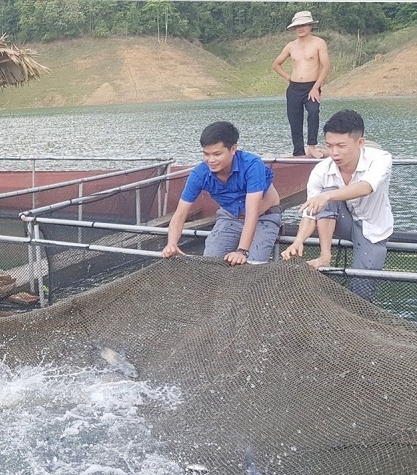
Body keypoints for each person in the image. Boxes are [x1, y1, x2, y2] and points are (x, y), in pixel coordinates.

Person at [281, 110, 393, 300]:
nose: (334, 152)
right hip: (342, 223)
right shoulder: (321, 170)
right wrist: (298, 241)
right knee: (324, 197)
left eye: (341, 146)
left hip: (373, 229)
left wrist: (327, 196)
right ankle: (325, 256)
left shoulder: (381, 159)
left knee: (362, 290)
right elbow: (310, 213)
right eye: (329, 145)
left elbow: (366, 187)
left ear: (360, 143)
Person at [162, 122, 282, 265]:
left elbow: (252, 212)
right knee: (210, 262)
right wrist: (172, 243)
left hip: (264, 217)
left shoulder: (252, 165)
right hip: (230, 217)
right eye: (206, 154)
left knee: (251, 265)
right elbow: (180, 214)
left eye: (217, 154)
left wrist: (242, 251)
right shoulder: (199, 174)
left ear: (233, 149)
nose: (211, 160)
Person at [272, 10, 331, 158]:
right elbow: (276, 64)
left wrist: (316, 87)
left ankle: (312, 147)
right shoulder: (291, 46)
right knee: (294, 119)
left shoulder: (319, 43)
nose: (300, 28)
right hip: (294, 88)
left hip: (312, 86)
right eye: (297, 26)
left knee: (313, 112)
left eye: (304, 25)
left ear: (311, 26)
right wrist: (289, 77)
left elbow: (326, 66)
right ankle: (298, 151)